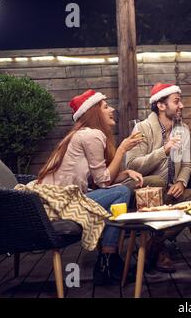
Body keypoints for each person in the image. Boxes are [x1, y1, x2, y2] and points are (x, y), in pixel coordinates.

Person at [37, 89, 144, 285]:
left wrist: (126, 173)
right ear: (94, 112)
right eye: (105, 106)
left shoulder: (80, 134)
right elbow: (104, 182)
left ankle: (108, 260)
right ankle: (108, 260)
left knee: (119, 191)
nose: (112, 109)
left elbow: (99, 180)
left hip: (57, 199)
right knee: (121, 192)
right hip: (59, 203)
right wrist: (122, 149)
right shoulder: (92, 135)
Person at [126, 83, 191, 273]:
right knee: (158, 183)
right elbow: (132, 164)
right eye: (176, 101)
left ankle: (153, 243)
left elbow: (187, 165)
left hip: (169, 190)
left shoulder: (182, 129)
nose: (181, 105)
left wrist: (181, 182)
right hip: (143, 187)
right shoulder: (142, 128)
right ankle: (159, 250)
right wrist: (164, 150)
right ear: (161, 105)